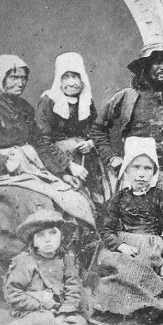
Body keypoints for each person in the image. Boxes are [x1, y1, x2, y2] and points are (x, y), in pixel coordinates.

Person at [0, 55, 95, 289]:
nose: (20, 83)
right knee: (34, 203)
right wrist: (3, 162)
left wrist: (63, 172)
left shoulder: (24, 107)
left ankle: (66, 270)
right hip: (6, 171)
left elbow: (40, 144)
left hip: (32, 167)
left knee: (73, 195)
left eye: (23, 78)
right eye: (13, 77)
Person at [88, 145, 163, 325]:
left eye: (147, 168)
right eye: (136, 167)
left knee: (142, 275)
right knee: (116, 274)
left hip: (152, 248)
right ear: (127, 171)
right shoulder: (120, 197)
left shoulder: (160, 196)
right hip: (124, 248)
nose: (141, 173)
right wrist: (120, 245)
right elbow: (106, 229)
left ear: (154, 172)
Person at [89, 43, 163, 196]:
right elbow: (98, 130)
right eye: (158, 62)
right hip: (134, 179)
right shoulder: (126, 97)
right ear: (144, 68)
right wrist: (112, 157)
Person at [0, 210, 98, 325]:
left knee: (78, 321)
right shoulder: (25, 261)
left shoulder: (66, 258)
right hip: (35, 309)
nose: (47, 239)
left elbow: (73, 287)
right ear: (33, 242)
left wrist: (64, 312)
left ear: (62, 236)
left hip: (62, 309)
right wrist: (41, 305)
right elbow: (13, 293)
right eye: (40, 235)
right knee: (43, 321)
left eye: (53, 233)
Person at [36, 52, 113, 209]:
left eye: (76, 77)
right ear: (59, 79)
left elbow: (97, 131)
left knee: (101, 199)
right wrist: (69, 165)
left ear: (83, 78)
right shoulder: (48, 101)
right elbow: (44, 141)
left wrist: (91, 143)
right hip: (59, 162)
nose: (72, 83)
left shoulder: (87, 102)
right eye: (66, 77)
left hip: (88, 160)